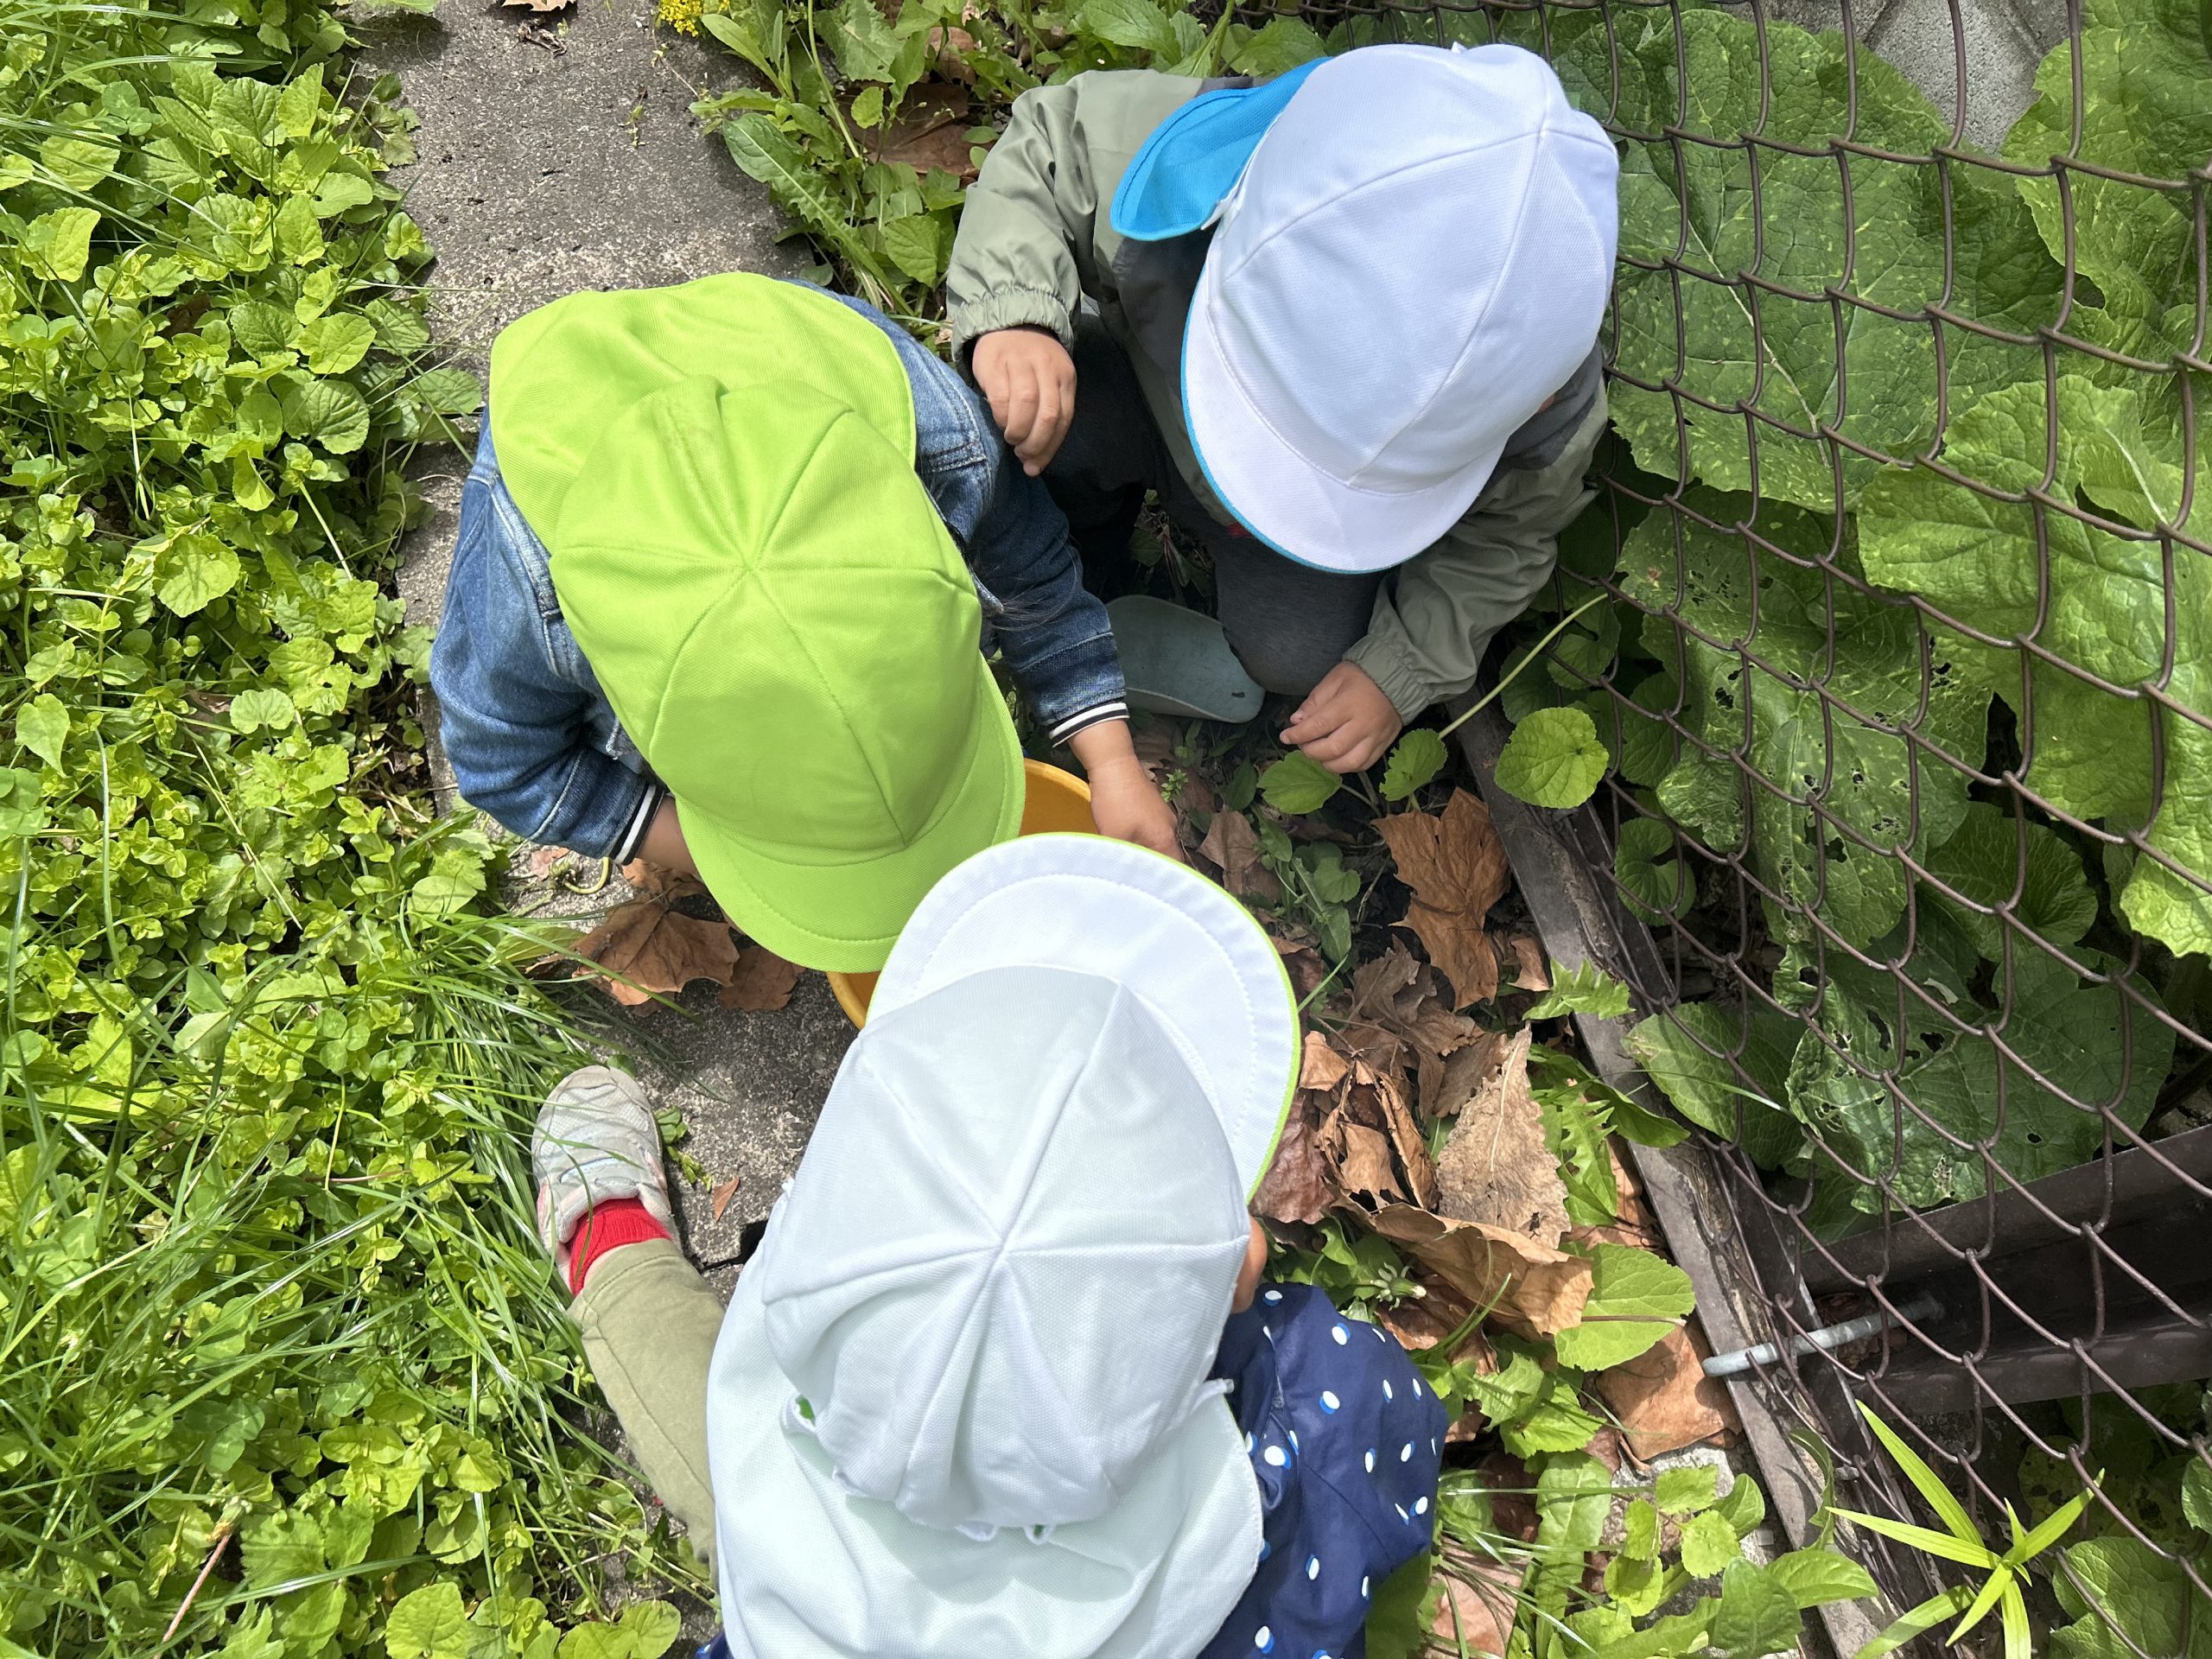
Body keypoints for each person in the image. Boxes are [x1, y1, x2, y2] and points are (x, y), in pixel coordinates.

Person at [531, 836, 1448, 1658]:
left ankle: (612, 1250)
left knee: (723, 1456)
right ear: (1241, 1260)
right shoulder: (1321, 1419)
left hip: (803, 1591)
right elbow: (1399, 1446)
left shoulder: (823, 1288)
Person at [429, 272, 1181, 971]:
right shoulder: (526, 587)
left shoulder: (942, 441)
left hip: (786, 355)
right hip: (567, 438)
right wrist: (701, 847)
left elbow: (1033, 577)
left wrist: (1112, 762)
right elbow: (506, 765)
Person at [944, 42, 1620, 774]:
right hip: (1146, 393)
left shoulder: (1544, 399)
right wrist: (1017, 316)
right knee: (1029, 423)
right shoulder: (1193, 156)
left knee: (1298, 652)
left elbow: (1507, 538)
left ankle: (1120, 636)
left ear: (1534, 399)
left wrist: (1400, 667)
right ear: (1246, 219)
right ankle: (1065, 593)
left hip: (1289, 542)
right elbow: (1052, 145)